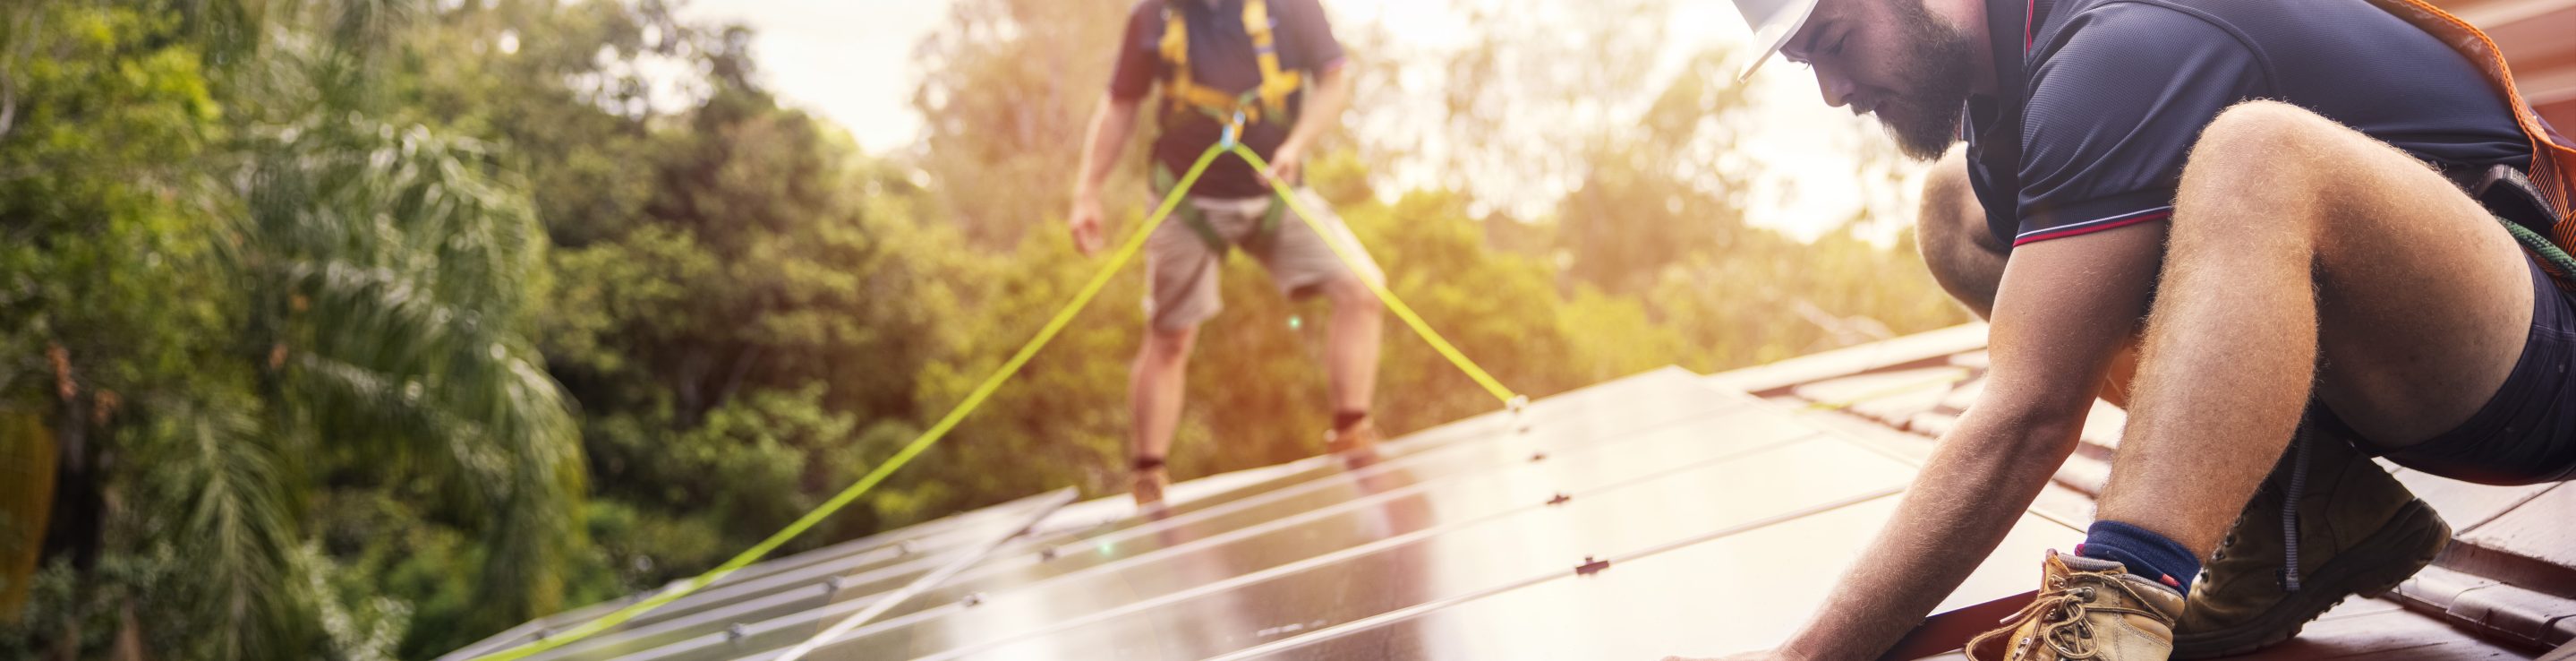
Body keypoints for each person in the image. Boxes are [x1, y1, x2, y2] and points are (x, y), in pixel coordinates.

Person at [1693, 0, 2576, 657]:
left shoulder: (2115, 42)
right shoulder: (2012, 86)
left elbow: (2028, 415)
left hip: (2530, 343)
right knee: (1953, 204)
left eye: (1836, 43)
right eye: (1804, 64)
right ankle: (2307, 504)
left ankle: (2119, 606)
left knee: (2255, 152)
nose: (1834, 93)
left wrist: (1808, 654)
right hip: (2375, 372)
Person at [1068, 0, 1386, 507]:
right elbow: (1120, 104)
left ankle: (1351, 430)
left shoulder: (1293, 6)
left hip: (1277, 187)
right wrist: (1088, 192)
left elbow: (1333, 79)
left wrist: (1296, 146)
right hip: (1187, 198)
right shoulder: (1152, 16)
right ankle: (1149, 474)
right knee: (1171, 336)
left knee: (1362, 290)